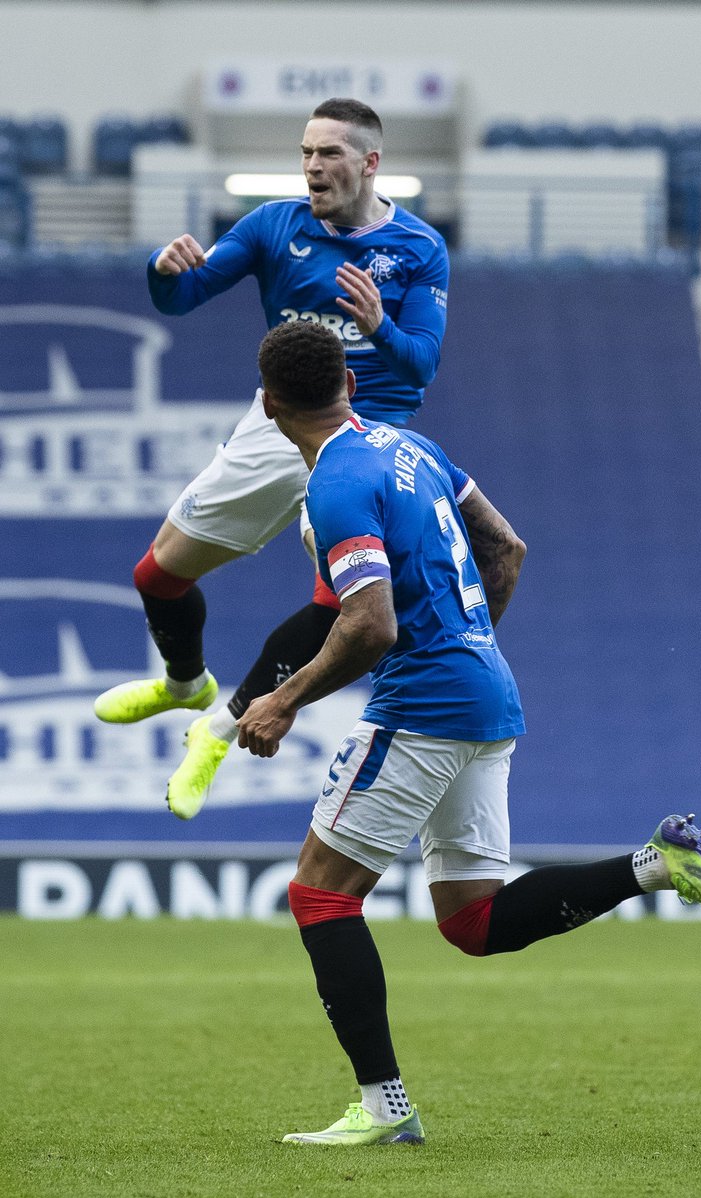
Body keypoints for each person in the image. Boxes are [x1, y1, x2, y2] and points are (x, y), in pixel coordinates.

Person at [235, 320, 701, 1146]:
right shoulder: (414, 448)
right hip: (486, 691)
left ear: (268, 406)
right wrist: (469, 643)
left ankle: (385, 1108)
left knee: (320, 894)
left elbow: (369, 625)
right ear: (351, 383)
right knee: (473, 921)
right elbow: (506, 546)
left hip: (425, 704)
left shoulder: (335, 484)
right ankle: (659, 864)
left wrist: (283, 699)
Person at [93, 97, 449, 818]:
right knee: (157, 575)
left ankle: (219, 730)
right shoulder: (272, 226)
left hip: (363, 435)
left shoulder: (419, 249)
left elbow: (420, 366)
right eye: (306, 153)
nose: (313, 166)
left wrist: (379, 326)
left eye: (330, 154)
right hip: (276, 419)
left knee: (345, 604)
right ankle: (184, 684)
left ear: (370, 163)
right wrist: (163, 270)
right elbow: (182, 297)